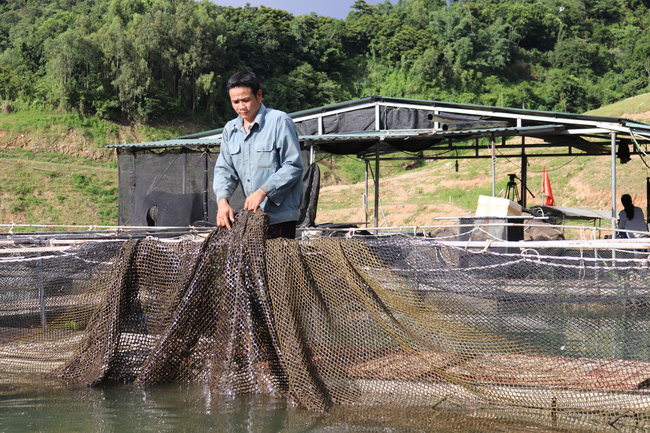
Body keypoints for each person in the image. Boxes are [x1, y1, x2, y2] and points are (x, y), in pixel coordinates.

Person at [213, 71, 303, 239]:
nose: (241, 106)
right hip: (252, 219)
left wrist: (263, 191)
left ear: (259, 95)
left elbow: (293, 165)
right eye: (235, 102)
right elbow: (224, 170)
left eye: (246, 100)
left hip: (279, 219)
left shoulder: (279, 121)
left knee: (278, 265)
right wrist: (222, 201)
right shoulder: (230, 130)